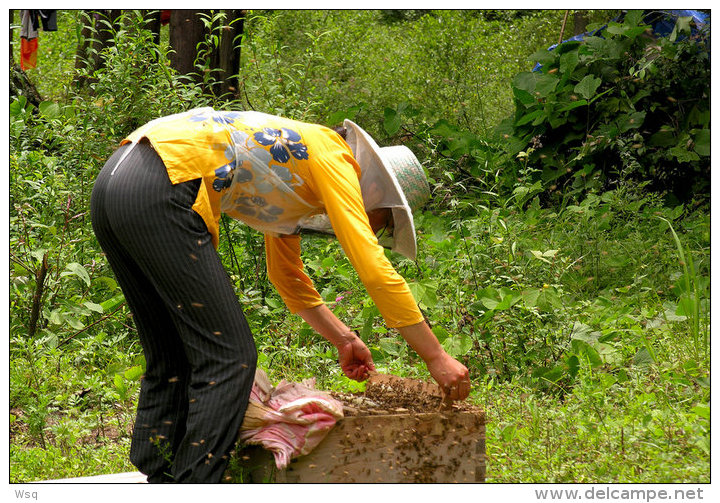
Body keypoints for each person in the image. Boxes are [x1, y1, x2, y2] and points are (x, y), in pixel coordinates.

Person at [90, 108, 470, 483]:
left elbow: (286, 277)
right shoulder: (334, 156)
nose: (374, 229)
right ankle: (195, 485)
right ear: (376, 191)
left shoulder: (295, 171)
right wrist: (436, 356)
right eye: (382, 222)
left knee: (172, 350)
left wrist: (344, 338)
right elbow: (373, 267)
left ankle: (159, 473)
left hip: (116, 181)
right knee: (229, 358)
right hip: (165, 181)